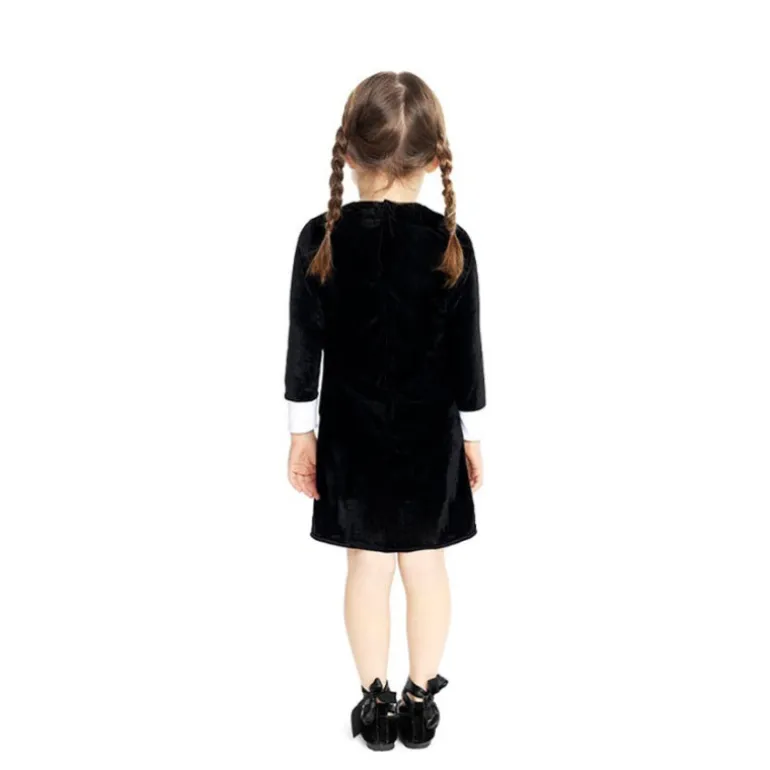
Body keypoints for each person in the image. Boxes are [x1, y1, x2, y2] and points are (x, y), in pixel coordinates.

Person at [284, 71, 485, 751]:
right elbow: (467, 355)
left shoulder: (322, 236)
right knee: (425, 565)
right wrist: (473, 435)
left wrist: (301, 433)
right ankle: (420, 700)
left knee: (366, 568)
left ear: (347, 152)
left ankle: (373, 702)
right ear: (433, 158)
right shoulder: (451, 241)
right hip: (431, 436)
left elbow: (303, 346)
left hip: (352, 437)